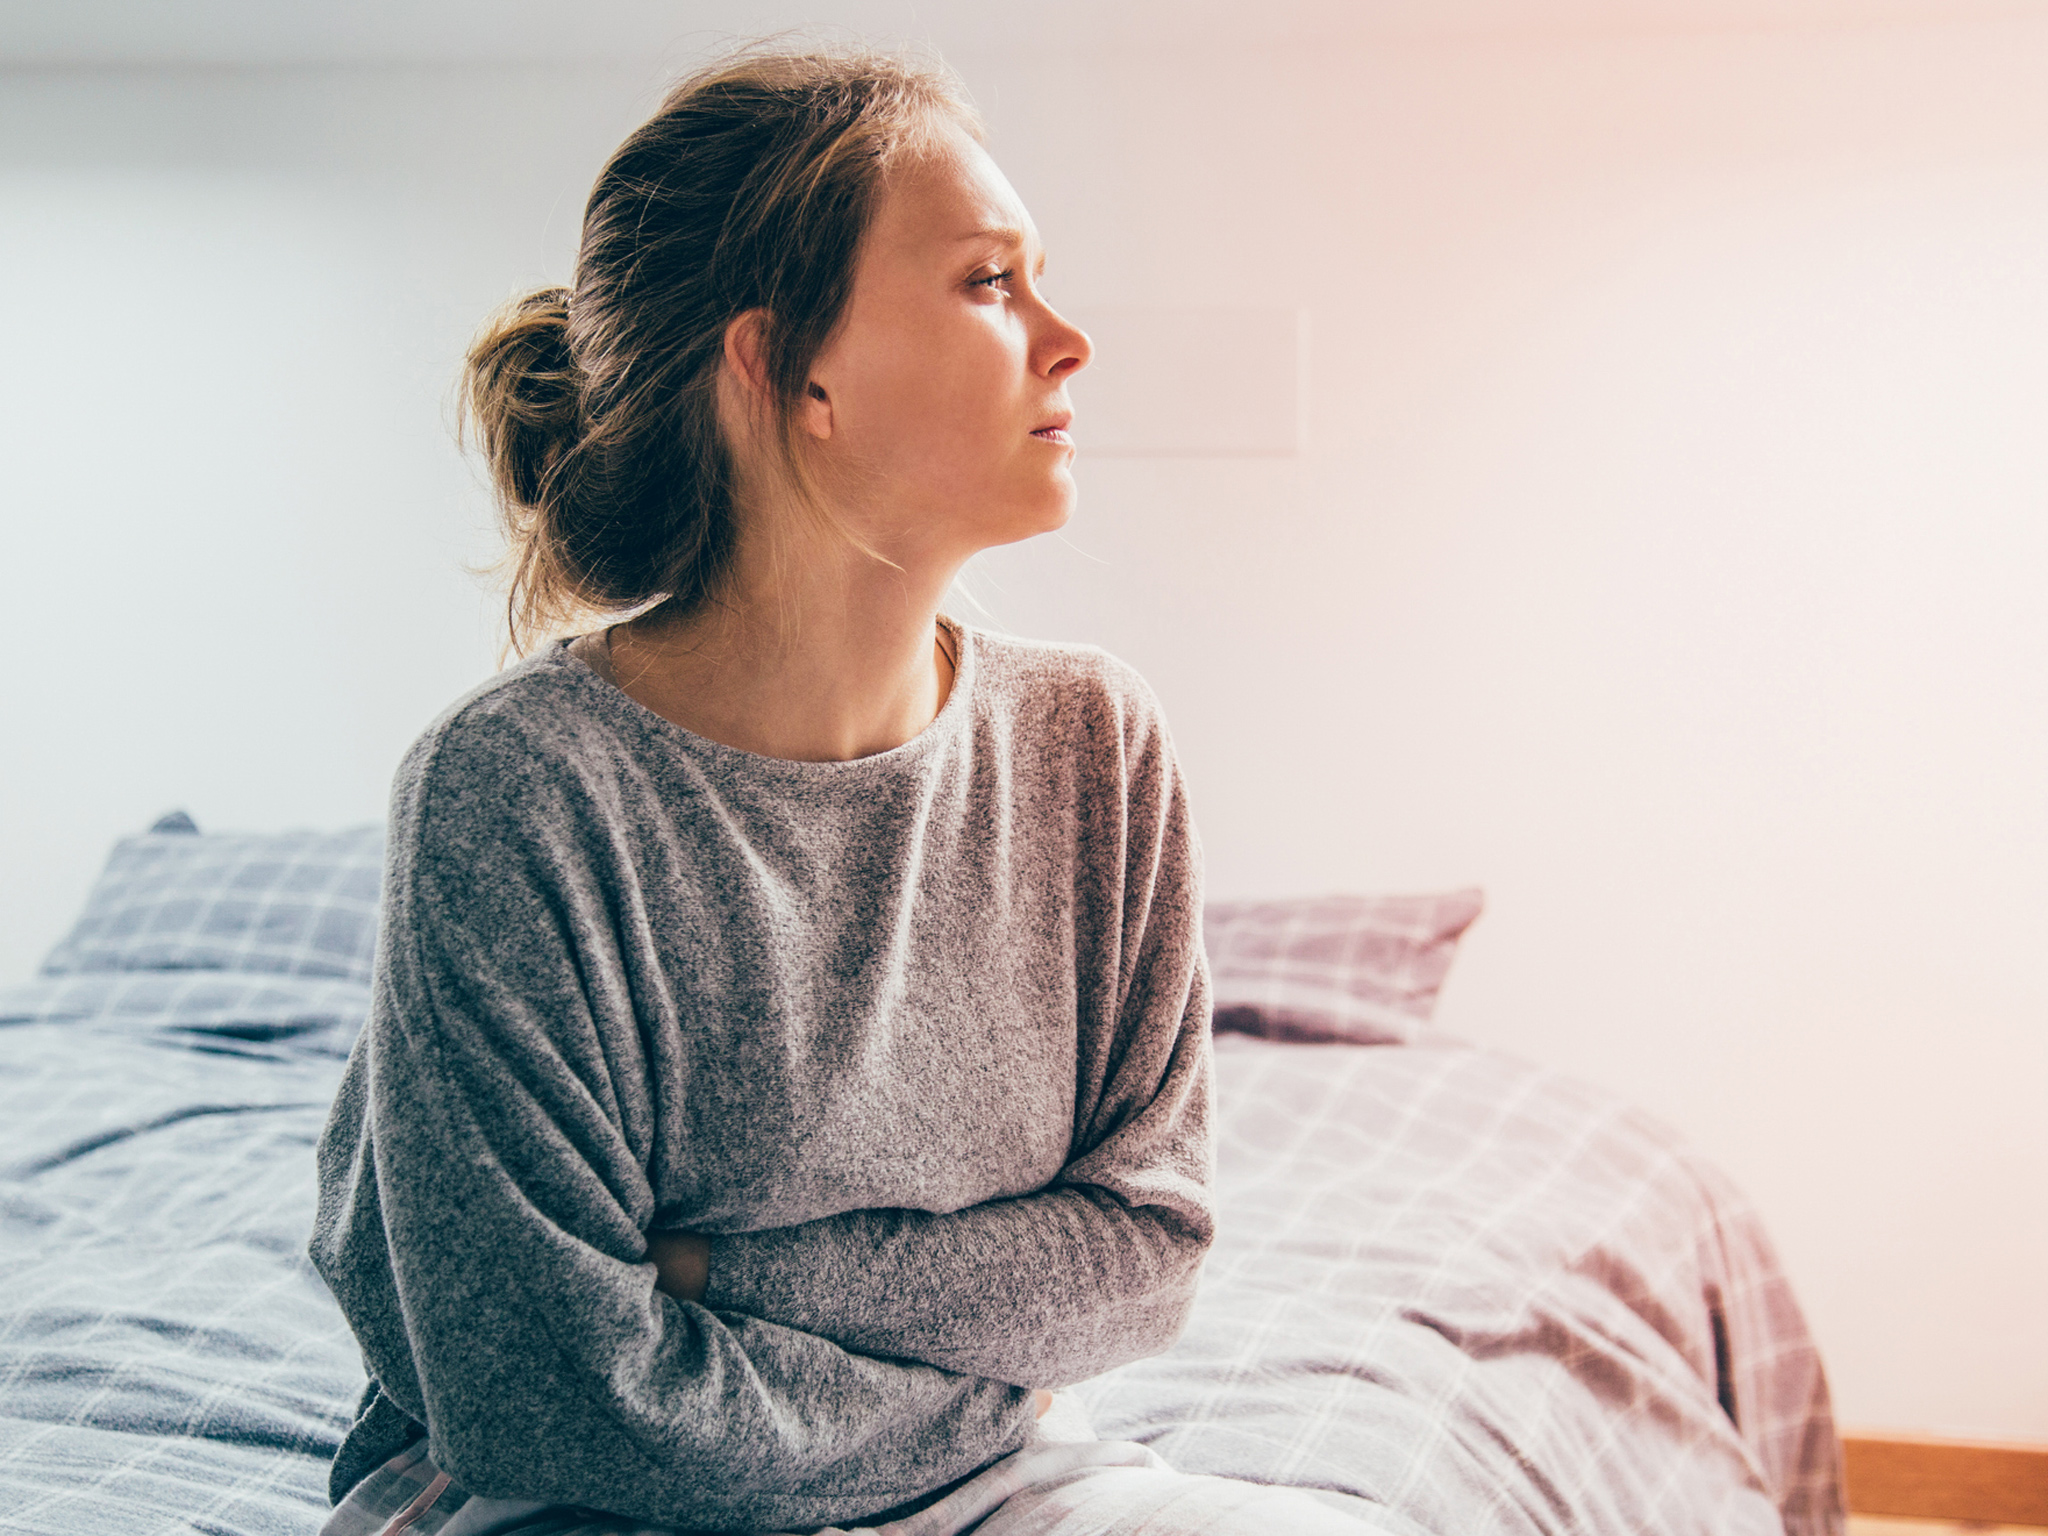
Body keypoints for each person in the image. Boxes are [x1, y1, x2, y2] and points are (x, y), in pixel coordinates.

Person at [309, 42, 1380, 1536]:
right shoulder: (516, 794)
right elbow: (549, 1402)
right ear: (785, 368)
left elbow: (1144, 1259)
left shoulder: (1094, 744)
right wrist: (974, 1364)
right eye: (989, 282)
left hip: (1002, 1482)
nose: (1069, 341)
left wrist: (717, 1274)